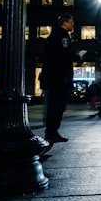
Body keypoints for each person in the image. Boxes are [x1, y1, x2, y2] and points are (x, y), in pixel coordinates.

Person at [40, 13, 80, 142]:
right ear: (65, 23)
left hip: (52, 78)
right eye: (71, 22)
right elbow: (65, 54)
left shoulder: (52, 36)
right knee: (58, 106)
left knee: (53, 106)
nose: (73, 25)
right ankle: (52, 132)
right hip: (59, 78)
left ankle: (50, 132)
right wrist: (77, 57)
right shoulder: (62, 35)